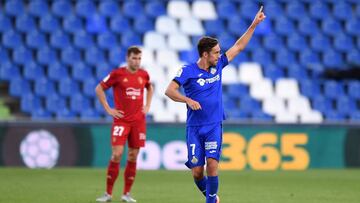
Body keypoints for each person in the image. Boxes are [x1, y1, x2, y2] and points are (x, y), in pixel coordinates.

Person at [165, 6, 266, 203]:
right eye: (216, 53)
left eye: (219, 52)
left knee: (212, 164)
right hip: (194, 127)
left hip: (213, 125)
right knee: (196, 172)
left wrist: (253, 25)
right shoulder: (187, 71)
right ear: (204, 55)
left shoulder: (218, 65)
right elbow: (169, 91)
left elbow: (238, 47)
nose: (219, 56)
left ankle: (210, 201)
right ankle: (211, 196)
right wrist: (187, 100)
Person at [95, 46, 154, 202]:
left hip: (138, 122)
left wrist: (147, 106)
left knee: (133, 156)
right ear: (128, 58)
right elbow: (99, 88)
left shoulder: (144, 74)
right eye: (134, 58)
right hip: (121, 120)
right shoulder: (117, 74)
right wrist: (108, 109)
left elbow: (150, 87)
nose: (137, 61)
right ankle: (108, 194)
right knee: (117, 154)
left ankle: (126, 194)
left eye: (139, 58)